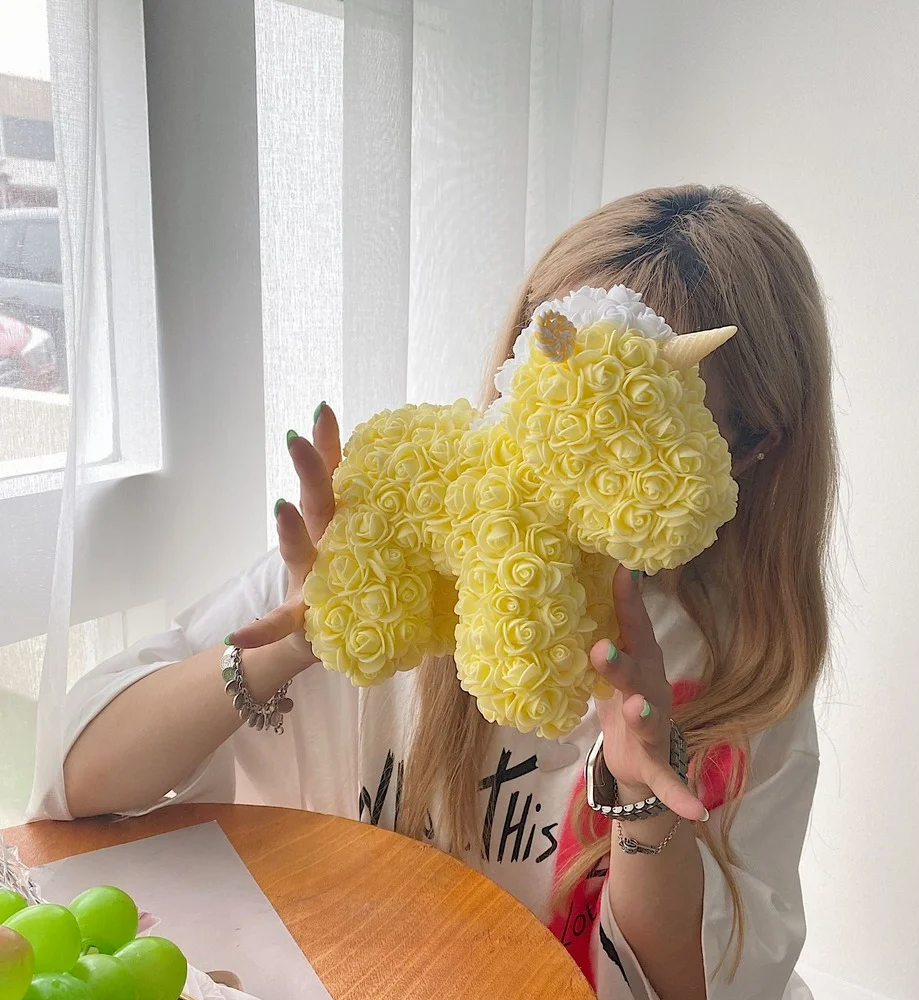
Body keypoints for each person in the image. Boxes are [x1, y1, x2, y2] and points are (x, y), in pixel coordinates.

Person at [44, 185, 835, 1000]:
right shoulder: (383, 550)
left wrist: (642, 801)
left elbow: (700, 988)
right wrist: (290, 648)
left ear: (746, 449)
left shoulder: (745, 680)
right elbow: (82, 785)